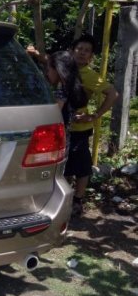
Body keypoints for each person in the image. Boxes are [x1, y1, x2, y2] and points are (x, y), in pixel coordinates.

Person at [28, 35, 119, 216]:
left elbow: (113, 94)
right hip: (66, 130)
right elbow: (52, 60)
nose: (82, 53)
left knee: (81, 167)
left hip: (77, 130)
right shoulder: (66, 69)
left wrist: (94, 115)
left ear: (91, 56)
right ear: (71, 51)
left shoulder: (89, 76)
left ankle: (77, 199)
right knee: (65, 167)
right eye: (79, 49)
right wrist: (36, 54)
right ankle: (66, 199)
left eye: (87, 51)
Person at [45, 51, 88, 128]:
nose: (47, 74)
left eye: (48, 69)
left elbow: (51, 117)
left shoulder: (61, 91)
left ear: (57, 69)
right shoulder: (71, 88)